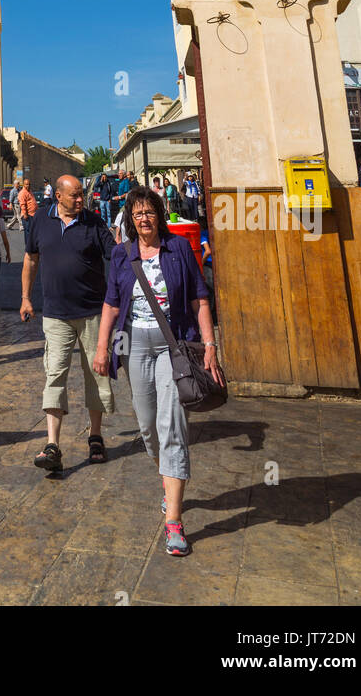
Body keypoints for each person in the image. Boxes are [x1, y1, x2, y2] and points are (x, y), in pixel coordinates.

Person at [93, 186, 223, 556]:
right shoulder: (122, 254)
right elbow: (111, 305)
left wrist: (210, 345)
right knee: (148, 427)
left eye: (150, 211)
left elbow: (200, 298)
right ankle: (167, 484)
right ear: (130, 220)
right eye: (137, 214)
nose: (144, 218)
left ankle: (175, 522)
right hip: (134, 344)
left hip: (174, 346)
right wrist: (103, 348)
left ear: (159, 213)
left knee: (172, 427)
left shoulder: (179, 248)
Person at [20, 174, 115, 471]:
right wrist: (25, 297)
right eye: (74, 196)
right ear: (58, 196)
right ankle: (52, 445)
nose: (80, 200)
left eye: (81, 195)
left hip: (92, 313)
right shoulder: (40, 221)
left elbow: (116, 256)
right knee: (55, 374)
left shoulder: (93, 222)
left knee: (96, 375)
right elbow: (30, 259)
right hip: (55, 314)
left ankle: (96, 436)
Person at [19, 177, 38, 243]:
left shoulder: (29, 191)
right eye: (26, 184)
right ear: (23, 185)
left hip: (32, 214)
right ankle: (28, 248)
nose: (28, 185)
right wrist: (25, 214)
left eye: (29, 184)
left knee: (32, 232)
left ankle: (31, 247)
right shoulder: (23, 193)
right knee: (28, 232)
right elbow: (22, 204)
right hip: (27, 215)